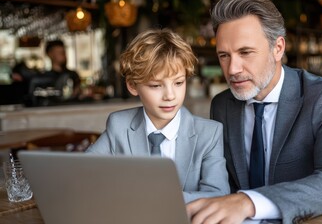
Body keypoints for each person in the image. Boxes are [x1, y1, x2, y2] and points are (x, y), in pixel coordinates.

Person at [186, 0, 322, 224]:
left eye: (245, 52)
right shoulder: (222, 105)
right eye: (224, 56)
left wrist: (249, 202)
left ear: (278, 48)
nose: (232, 69)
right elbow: (224, 182)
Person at [86, 28, 230, 203]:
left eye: (178, 83)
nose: (170, 95)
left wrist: (154, 200)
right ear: (132, 86)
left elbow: (218, 195)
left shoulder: (209, 133)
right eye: (156, 85)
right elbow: (83, 174)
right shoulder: (119, 125)